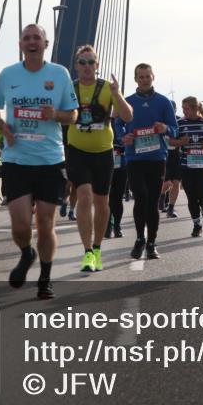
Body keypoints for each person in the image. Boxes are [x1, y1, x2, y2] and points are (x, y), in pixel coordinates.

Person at [0, 23, 78, 299]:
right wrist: (3, 128)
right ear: (20, 45)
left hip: (50, 160)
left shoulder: (59, 74)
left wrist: (56, 115)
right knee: (20, 226)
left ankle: (45, 278)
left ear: (45, 44)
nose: (31, 42)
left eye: (36, 38)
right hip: (17, 160)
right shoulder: (8, 75)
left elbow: (73, 115)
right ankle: (27, 253)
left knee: (45, 223)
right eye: (26, 38)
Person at [67, 44, 133, 273]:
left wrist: (117, 94)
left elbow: (127, 116)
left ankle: (97, 248)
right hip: (77, 150)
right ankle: (87, 252)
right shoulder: (70, 88)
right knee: (84, 196)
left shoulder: (107, 88)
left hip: (103, 152)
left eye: (91, 62)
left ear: (98, 65)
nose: (87, 67)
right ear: (76, 66)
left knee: (102, 203)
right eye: (83, 62)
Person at [122, 63, 178, 260]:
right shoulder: (127, 101)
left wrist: (165, 128)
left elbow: (175, 128)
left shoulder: (163, 102)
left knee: (153, 201)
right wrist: (123, 137)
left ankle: (152, 243)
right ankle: (139, 239)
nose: (145, 79)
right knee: (141, 198)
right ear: (135, 79)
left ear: (153, 77)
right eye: (141, 76)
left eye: (148, 76)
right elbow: (117, 126)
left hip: (157, 158)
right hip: (134, 158)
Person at [170, 97, 203, 236]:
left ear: (195, 109)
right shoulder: (180, 123)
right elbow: (171, 141)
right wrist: (180, 142)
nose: (184, 111)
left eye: (187, 109)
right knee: (191, 197)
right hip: (187, 166)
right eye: (183, 109)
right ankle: (197, 225)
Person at [160, 101, 183, 218]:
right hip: (163, 154)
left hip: (177, 154)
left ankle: (171, 208)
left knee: (176, 182)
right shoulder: (160, 121)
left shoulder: (180, 121)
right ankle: (161, 196)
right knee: (166, 182)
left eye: (173, 109)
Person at [107, 116, 128, 238]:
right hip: (104, 166)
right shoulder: (102, 118)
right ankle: (108, 226)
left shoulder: (124, 121)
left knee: (117, 198)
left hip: (121, 166)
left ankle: (117, 226)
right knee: (106, 198)